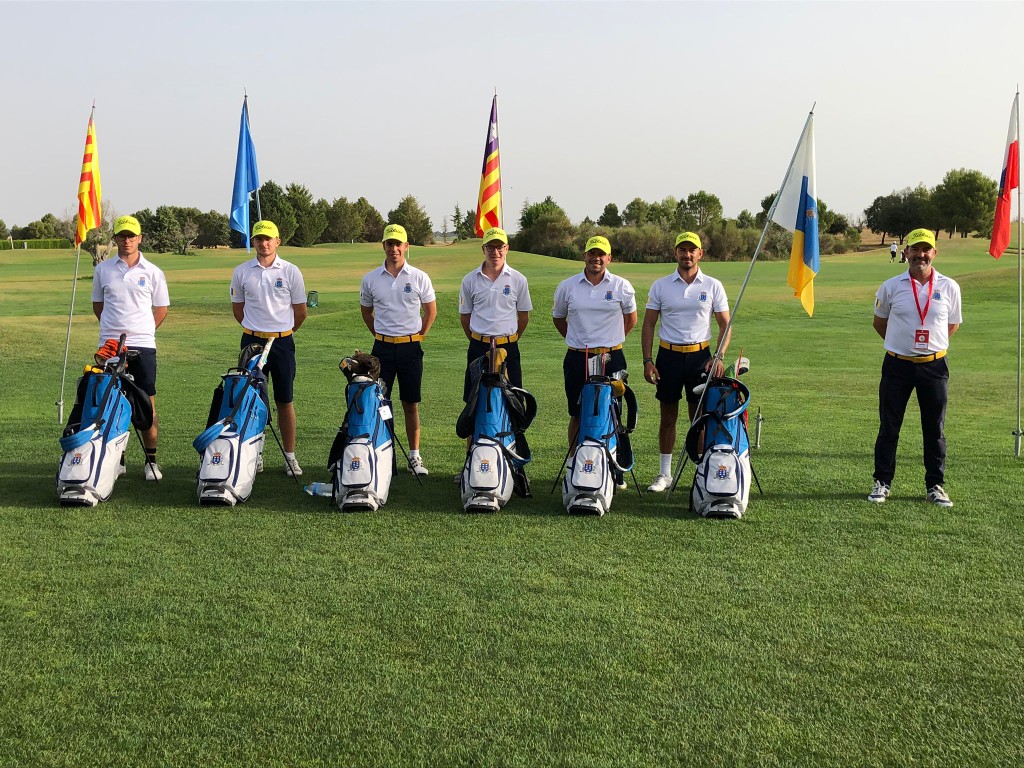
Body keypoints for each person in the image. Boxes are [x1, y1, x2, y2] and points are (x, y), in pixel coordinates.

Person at [869, 227, 962, 507]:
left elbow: (952, 325)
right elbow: (879, 322)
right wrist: (902, 345)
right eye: (915, 249)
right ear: (906, 252)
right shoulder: (891, 286)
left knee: (934, 428)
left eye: (926, 249)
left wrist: (928, 346)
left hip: (934, 367)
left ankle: (935, 485)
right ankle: (882, 482)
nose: (920, 254)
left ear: (934, 252)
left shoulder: (949, 286)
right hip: (897, 365)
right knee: (889, 426)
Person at [640, 232, 731, 492]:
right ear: (675, 253)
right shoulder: (661, 285)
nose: (687, 254)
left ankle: (700, 471)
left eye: (692, 250)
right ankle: (664, 474)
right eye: (682, 249)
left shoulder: (712, 285)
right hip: (667, 357)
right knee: (667, 417)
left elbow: (725, 324)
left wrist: (719, 356)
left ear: (700, 254)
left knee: (699, 418)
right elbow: (648, 324)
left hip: (700, 358)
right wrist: (648, 360)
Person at [91, 215, 170, 480]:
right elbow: (98, 306)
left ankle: (151, 462)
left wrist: (143, 331)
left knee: (147, 403)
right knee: (111, 402)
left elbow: (161, 310)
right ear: (115, 239)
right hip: (111, 346)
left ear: (140, 238)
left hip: (143, 346)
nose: (127, 240)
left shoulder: (153, 272)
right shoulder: (103, 270)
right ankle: (118, 460)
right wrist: (113, 333)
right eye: (122, 236)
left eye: (131, 236)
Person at [230, 220, 307, 476]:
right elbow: (238, 310)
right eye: (258, 239)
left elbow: (300, 312)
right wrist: (257, 331)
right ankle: (256, 454)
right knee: (252, 400)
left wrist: (281, 333)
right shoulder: (242, 271)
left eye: (268, 239)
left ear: (277, 241)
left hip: (282, 343)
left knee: (284, 400)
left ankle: (289, 457)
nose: (263, 243)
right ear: (253, 241)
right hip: (251, 343)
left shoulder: (291, 271)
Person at [359, 223, 437, 476]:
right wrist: (380, 335)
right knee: (378, 401)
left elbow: (430, 311)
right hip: (381, 350)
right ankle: (380, 451)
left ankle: (414, 456)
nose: (394, 248)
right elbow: (366, 311)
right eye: (389, 243)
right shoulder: (371, 278)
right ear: (383, 246)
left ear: (406, 247)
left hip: (410, 349)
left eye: (398, 244)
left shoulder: (419, 277)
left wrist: (419, 335)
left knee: (410, 403)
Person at [552, 235, 637, 449]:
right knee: (577, 413)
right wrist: (577, 339)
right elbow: (558, 318)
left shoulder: (621, 286)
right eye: (592, 253)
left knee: (613, 411)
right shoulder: (567, 286)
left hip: (612, 357)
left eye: (601, 254)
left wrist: (612, 340)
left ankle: (613, 467)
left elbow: (631, 319)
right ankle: (574, 465)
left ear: (609, 258)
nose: (596, 258)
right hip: (577, 357)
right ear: (584, 256)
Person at [458, 226, 532, 398]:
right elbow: (465, 317)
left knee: (513, 400)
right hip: (478, 346)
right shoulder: (469, 280)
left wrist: (508, 339)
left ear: (507, 249)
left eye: (500, 247)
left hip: (509, 347)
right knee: (475, 400)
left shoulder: (518, 279)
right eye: (490, 247)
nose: (495, 252)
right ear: (483, 249)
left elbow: (523, 317)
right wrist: (479, 340)